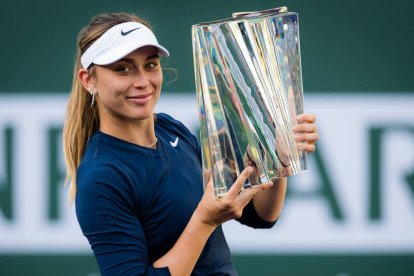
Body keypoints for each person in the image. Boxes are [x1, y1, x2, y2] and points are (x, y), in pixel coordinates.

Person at [63, 12, 319, 276]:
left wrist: (278, 157)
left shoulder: (171, 129)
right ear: (88, 80)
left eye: (150, 65)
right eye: (123, 69)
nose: (142, 82)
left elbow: (260, 216)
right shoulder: (101, 177)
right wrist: (205, 220)